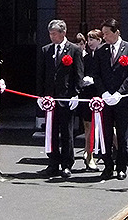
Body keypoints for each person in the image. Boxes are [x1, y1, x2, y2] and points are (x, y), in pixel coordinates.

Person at [92, 17, 128, 180]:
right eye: (103, 34)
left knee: (122, 135)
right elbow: (96, 74)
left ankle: (121, 167)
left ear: (116, 32)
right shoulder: (100, 51)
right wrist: (104, 92)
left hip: (122, 99)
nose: (104, 37)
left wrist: (120, 92)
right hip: (105, 100)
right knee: (105, 134)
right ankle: (107, 166)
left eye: (106, 33)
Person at [36, 19, 83, 178]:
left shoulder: (74, 50)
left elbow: (78, 74)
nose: (51, 36)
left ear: (63, 33)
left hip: (66, 97)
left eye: (54, 33)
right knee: (51, 132)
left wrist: (76, 93)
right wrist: (40, 95)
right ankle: (53, 162)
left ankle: (67, 164)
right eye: (50, 33)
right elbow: (41, 74)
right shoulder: (46, 50)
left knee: (67, 132)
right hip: (50, 98)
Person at [78, 29, 103, 170]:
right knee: (88, 127)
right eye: (89, 39)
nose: (90, 42)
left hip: (101, 95)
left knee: (107, 127)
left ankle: (117, 154)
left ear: (99, 40)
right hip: (87, 95)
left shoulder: (104, 55)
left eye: (93, 39)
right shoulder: (86, 58)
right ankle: (89, 155)